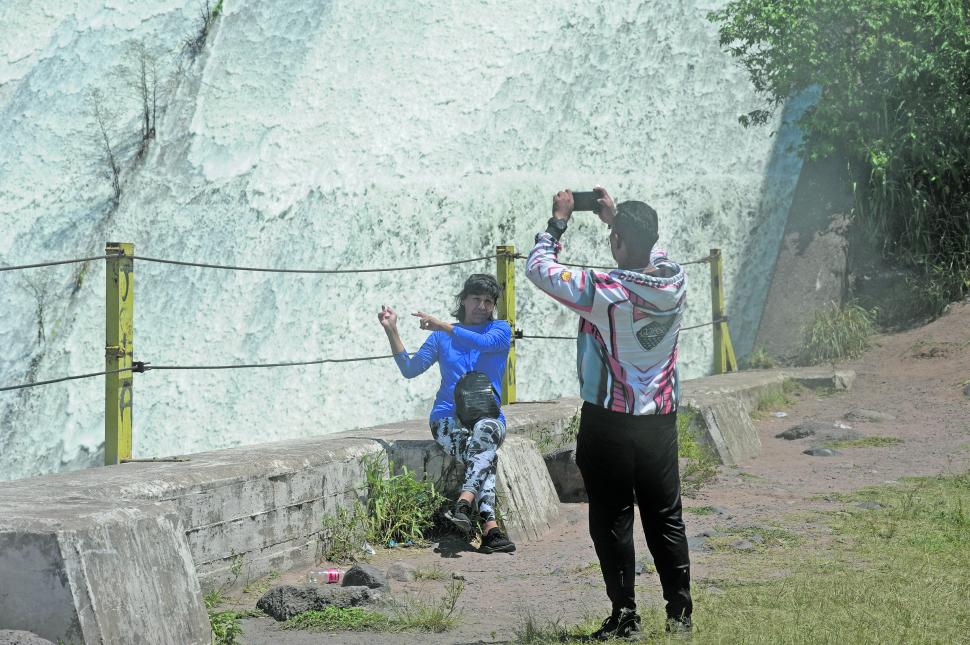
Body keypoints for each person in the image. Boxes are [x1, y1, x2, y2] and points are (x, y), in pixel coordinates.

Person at [525, 187, 692, 638]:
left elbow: (539, 269)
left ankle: (626, 616)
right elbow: (652, 250)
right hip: (659, 418)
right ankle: (680, 616)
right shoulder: (676, 281)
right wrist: (616, 221)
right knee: (665, 514)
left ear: (618, 242)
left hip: (609, 419)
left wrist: (558, 221)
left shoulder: (605, 291)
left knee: (612, 515)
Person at [377, 273, 516, 554]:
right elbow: (410, 369)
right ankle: (490, 530)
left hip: (488, 418)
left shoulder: (500, 330)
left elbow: (485, 345)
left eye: (489, 301)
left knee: (485, 433)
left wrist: (443, 325)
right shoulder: (441, 338)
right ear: (463, 300)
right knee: (484, 454)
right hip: (446, 419)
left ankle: (465, 502)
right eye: (476, 299)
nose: (482, 306)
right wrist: (392, 330)